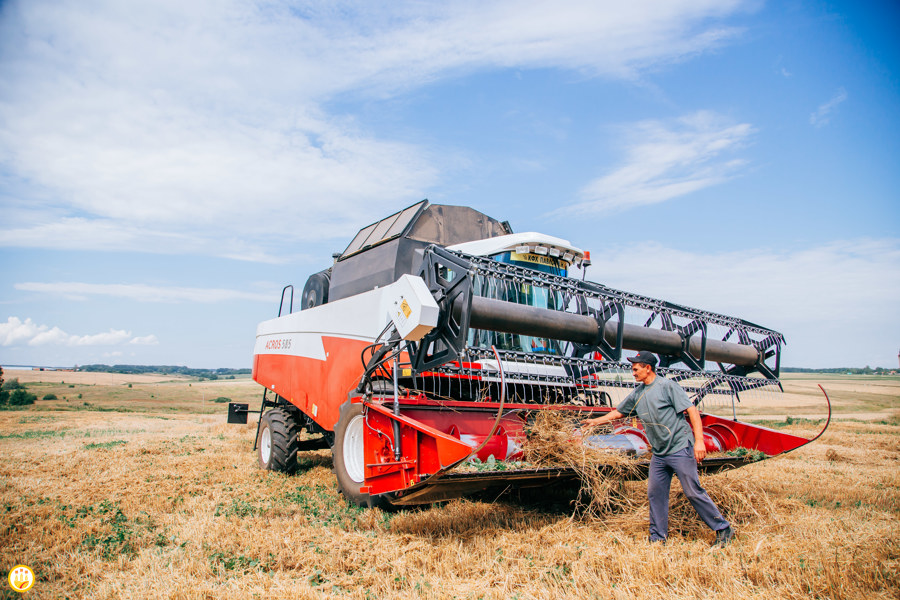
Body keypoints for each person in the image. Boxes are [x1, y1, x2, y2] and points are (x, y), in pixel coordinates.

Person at [582, 350, 734, 546]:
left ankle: (723, 528)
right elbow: (619, 412)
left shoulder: (667, 386)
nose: (633, 372)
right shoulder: (638, 393)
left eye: (636, 368)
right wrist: (595, 422)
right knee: (655, 493)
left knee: (692, 491)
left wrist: (699, 441)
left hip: (680, 448)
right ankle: (657, 538)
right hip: (660, 453)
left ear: (648, 368)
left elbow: (692, 411)